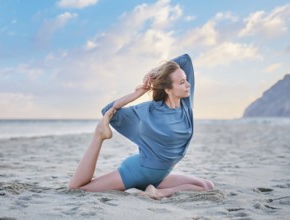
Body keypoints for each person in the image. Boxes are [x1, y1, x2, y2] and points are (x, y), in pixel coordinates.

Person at [68, 54, 214, 199]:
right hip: (138, 172)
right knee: (77, 188)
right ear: (168, 89)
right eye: (182, 82)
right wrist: (138, 92)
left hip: (161, 175)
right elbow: (108, 112)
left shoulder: (186, 105)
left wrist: (153, 72)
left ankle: (158, 192)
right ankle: (98, 136)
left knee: (207, 186)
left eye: (186, 80)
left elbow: (186, 59)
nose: (188, 84)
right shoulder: (149, 111)